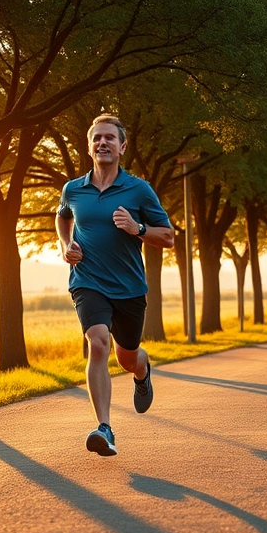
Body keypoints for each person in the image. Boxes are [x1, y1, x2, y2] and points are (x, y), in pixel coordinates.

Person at [56, 114, 175, 456]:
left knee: (126, 358)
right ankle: (105, 428)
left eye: (109, 138)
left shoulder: (139, 189)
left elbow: (167, 237)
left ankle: (142, 369)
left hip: (129, 288)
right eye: (97, 138)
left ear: (122, 147)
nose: (103, 143)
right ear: (90, 146)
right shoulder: (73, 189)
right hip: (87, 281)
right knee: (97, 343)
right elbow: (62, 216)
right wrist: (66, 245)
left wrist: (136, 228)